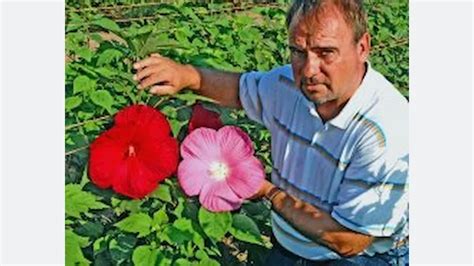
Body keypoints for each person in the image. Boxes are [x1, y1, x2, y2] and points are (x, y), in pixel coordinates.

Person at [132, 0, 408, 265]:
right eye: (298, 52)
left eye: (326, 52)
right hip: (292, 241)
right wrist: (187, 75)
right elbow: (239, 89)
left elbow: (350, 241)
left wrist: (268, 191)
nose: (309, 70)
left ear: (362, 47)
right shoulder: (286, 84)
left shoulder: (385, 131)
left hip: (361, 258)